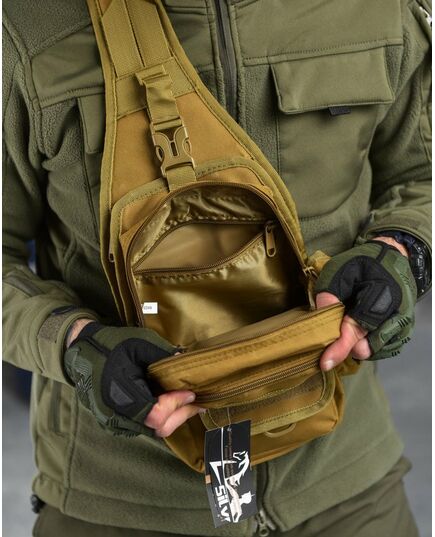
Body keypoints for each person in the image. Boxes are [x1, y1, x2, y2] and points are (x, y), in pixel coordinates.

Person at [3, 0, 431, 536]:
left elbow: (420, 174)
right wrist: (74, 343)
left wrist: (403, 248)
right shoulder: (29, 29)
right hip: (123, 501)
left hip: (347, 486)